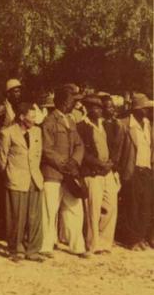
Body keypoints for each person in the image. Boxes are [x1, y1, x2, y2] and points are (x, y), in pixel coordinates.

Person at [40, 85, 89, 259]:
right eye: (70, 101)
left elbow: (79, 144)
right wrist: (63, 164)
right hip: (53, 173)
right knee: (49, 209)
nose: (73, 105)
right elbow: (46, 148)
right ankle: (45, 246)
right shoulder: (49, 121)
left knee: (74, 208)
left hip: (69, 173)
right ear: (61, 102)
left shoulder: (71, 121)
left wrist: (74, 161)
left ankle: (78, 246)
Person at [0, 102, 45, 262]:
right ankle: (16, 250)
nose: (34, 119)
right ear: (22, 117)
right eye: (31, 116)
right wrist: (10, 175)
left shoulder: (37, 131)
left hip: (35, 179)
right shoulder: (7, 133)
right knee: (16, 216)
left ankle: (33, 250)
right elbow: (2, 159)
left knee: (34, 216)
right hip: (16, 179)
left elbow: (38, 155)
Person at [77, 95, 119, 254]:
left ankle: (104, 241)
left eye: (101, 107)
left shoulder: (105, 126)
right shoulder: (81, 126)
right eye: (96, 107)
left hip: (107, 171)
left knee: (110, 206)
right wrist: (98, 163)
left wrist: (110, 163)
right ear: (88, 109)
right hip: (92, 172)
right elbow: (83, 152)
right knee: (93, 210)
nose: (100, 110)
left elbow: (114, 147)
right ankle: (93, 244)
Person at [116, 93, 154, 250]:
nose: (147, 111)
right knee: (132, 206)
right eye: (145, 108)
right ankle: (132, 240)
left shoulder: (147, 125)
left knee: (145, 205)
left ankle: (140, 236)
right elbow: (118, 151)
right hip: (131, 170)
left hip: (146, 170)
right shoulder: (124, 125)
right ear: (137, 110)